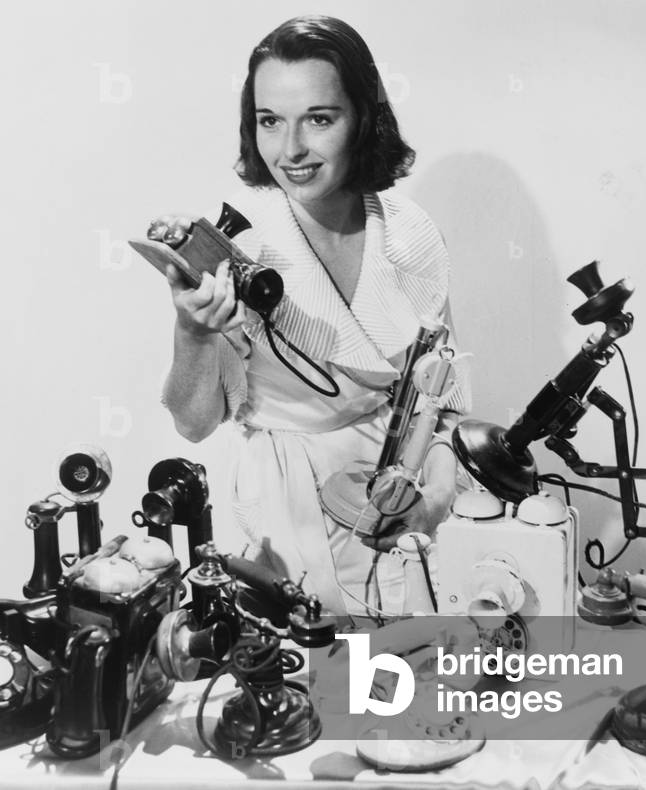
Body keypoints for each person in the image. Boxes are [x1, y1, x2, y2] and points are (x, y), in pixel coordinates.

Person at [155, 15, 471, 616]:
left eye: (319, 119)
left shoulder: (410, 233)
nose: (290, 150)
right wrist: (192, 330)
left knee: (413, 689)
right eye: (269, 121)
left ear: (365, 119)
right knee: (309, 682)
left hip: (400, 490)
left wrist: (430, 500)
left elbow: (444, 403)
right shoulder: (239, 245)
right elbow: (194, 425)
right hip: (288, 505)